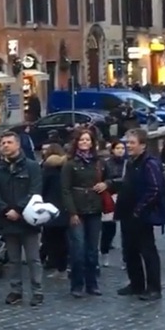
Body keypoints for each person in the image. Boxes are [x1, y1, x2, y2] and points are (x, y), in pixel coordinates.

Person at [97, 128, 165, 301]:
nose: (128, 146)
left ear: (143, 145)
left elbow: (154, 189)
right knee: (130, 250)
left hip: (142, 215)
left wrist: (139, 209)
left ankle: (154, 288)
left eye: (132, 143)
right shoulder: (131, 162)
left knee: (147, 251)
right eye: (127, 142)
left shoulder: (150, 163)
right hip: (127, 213)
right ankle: (136, 284)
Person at [0, 131, 44, 306]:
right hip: (8, 220)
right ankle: (16, 290)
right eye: (3, 142)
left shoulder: (32, 166)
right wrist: (6, 210)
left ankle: (37, 291)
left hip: (28, 218)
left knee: (33, 258)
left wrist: (19, 209)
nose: (5, 145)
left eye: (9, 142)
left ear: (18, 145)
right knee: (13, 259)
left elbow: (35, 190)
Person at [61, 127, 104, 296]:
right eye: (82, 140)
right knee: (78, 249)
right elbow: (65, 189)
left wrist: (106, 184)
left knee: (92, 250)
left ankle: (92, 283)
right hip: (77, 209)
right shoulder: (70, 164)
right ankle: (77, 284)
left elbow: (110, 178)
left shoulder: (98, 162)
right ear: (76, 142)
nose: (85, 142)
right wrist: (72, 212)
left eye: (88, 140)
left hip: (94, 208)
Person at [40, 144, 69, 281]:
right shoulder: (66, 167)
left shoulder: (47, 169)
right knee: (65, 240)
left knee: (53, 241)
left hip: (50, 208)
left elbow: (42, 189)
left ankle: (59, 267)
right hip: (66, 207)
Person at [100, 140, 126, 266]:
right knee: (108, 228)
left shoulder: (128, 163)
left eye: (122, 148)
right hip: (111, 196)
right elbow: (102, 179)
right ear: (113, 150)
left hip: (125, 196)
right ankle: (104, 252)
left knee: (126, 229)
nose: (120, 150)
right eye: (118, 148)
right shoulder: (106, 163)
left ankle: (126, 259)